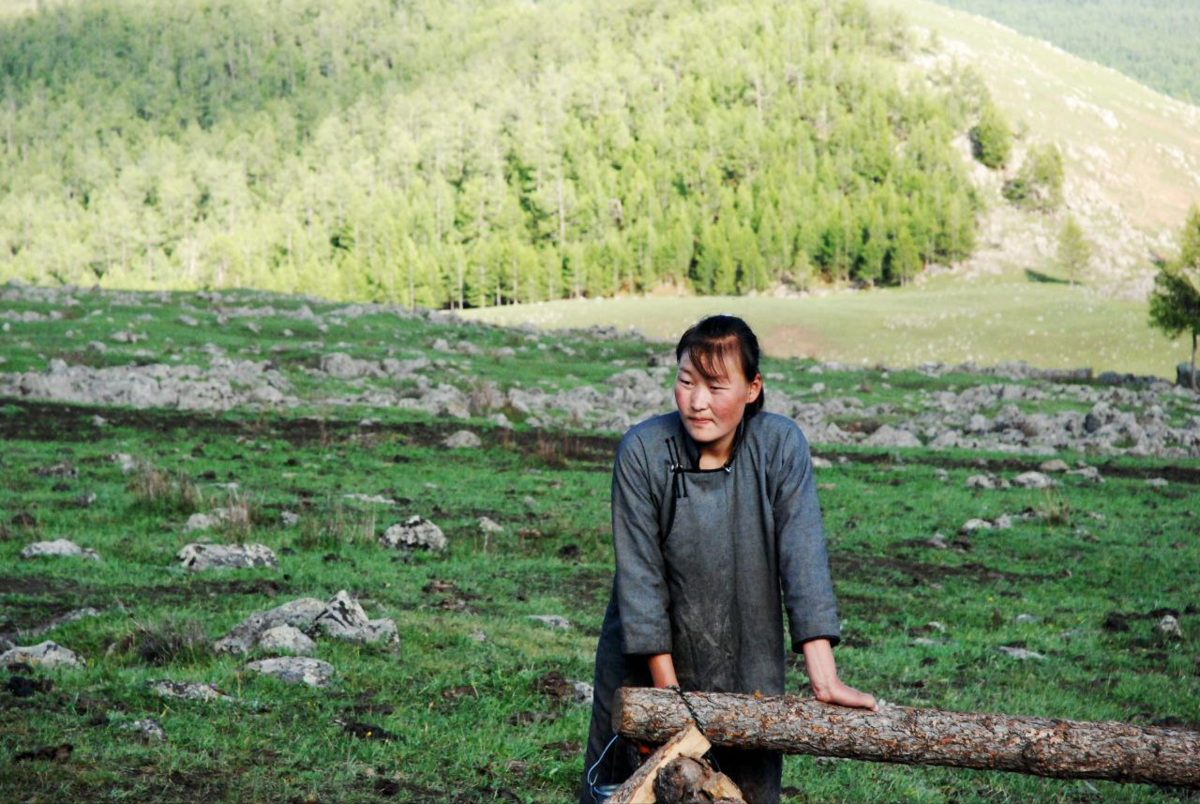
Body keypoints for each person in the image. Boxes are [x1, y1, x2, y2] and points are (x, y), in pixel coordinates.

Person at [579, 314, 875, 804]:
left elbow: (803, 560)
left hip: (747, 656)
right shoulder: (642, 452)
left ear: (752, 388)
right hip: (647, 665)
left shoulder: (780, 446)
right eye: (686, 382)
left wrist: (825, 679)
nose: (697, 402)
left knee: (742, 790)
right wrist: (671, 710)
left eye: (716, 386)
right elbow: (641, 582)